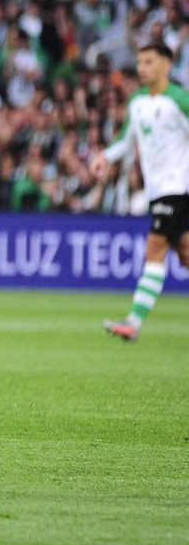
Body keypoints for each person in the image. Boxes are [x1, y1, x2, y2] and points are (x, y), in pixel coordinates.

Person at [90, 42, 189, 340]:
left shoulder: (179, 100)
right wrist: (104, 156)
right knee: (185, 253)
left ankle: (133, 323)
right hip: (156, 190)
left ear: (166, 65)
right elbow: (125, 139)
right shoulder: (136, 102)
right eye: (140, 62)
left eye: (149, 62)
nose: (142, 68)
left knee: (155, 247)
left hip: (178, 186)